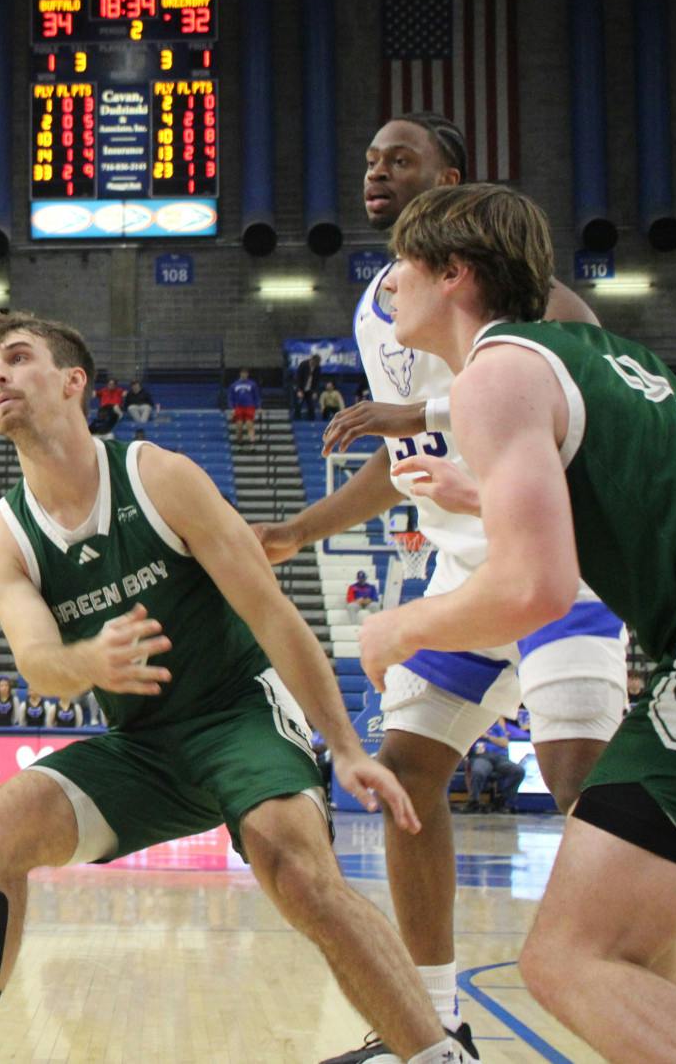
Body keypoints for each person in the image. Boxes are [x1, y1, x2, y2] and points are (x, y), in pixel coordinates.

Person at [0, 310, 457, 1064]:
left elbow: (274, 615)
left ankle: (440, 1054)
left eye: (17, 358)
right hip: (143, 746)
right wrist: (89, 661)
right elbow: (39, 663)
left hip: (237, 712)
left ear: (74, 382)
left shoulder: (160, 477)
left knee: (296, 869)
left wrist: (343, 745)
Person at [251, 117, 627, 1064]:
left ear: (449, 178)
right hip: (460, 565)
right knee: (407, 776)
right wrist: (303, 527)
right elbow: (400, 458)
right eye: (370, 158)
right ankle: (431, 1024)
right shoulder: (383, 301)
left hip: (552, 558)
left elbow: (580, 363)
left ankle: (643, 997)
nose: (377, 170)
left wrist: (426, 408)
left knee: (589, 786)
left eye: (400, 158)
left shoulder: (506, 283)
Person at [353, 183, 676, 1059]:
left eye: (403, 261)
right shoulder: (583, 354)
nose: (387, 280)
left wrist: (401, 629)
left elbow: (537, 586)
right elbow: (617, 502)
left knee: (569, 957)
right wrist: (475, 492)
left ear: (454, 273)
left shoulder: (497, 372)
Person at [463, 721, 524, 813]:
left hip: (500, 758)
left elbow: (505, 743)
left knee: (518, 770)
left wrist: (487, 737)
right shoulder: (472, 728)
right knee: (478, 770)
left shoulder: (496, 728)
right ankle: (474, 801)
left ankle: (502, 800)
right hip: (481, 757)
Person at [226, 368, 262, 442]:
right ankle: (239, 441)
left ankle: (252, 441)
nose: (244, 375)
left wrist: (258, 407)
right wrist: (232, 408)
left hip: (249, 406)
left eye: (245, 373)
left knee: (250, 424)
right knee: (239, 425)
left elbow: (256, 396)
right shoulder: (234, 385)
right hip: (238, 407)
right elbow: (230, 397)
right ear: (240, 374)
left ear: (247, 374)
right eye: (243, 373)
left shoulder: (252, 384)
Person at [293, 352, 323, 420]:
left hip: (310, 390)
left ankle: (311, 422)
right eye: (314, 363)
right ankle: (297, 421)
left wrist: (315, 392)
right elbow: (298, 378)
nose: (315, 365)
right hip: (301, 388)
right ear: (311, 360)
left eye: (316, 364)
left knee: (311, 406)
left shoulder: (318, 368)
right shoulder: (303, 364)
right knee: (298, 405)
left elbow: (317, 381)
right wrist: (299, 390)